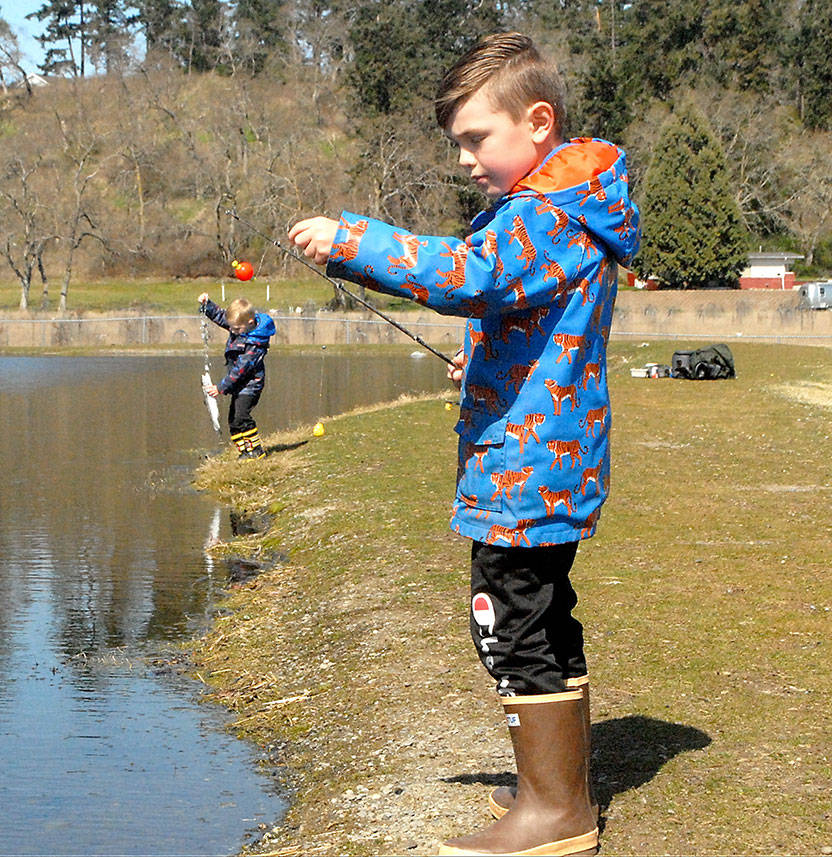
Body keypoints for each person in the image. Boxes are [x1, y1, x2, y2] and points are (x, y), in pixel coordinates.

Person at [288, 32, 640, 857]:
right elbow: (525, 316)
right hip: (547, 463)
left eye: (477, 139)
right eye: (459, 145)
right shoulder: (566, 208)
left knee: (507, 622)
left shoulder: (546, 215)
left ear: (539, 122)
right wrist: (483, 359)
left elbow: (466, 276)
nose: (466, 160)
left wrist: (352, 240)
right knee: (543, 621)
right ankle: (559, 787)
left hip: (530, 475)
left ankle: (555, 813)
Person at [198, 293, 276, 459]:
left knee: (242, 416)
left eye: (236, 329)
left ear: (249, 323)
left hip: (250, 385)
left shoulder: (255, 344)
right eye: (231, 328)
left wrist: (220, 388)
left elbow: (240, 370)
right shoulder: (239, 325)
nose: (232, 331)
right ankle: (244, 452)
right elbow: (221, 316)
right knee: (233, 420)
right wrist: (208, 305)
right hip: (238, 384)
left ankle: (255, 450)